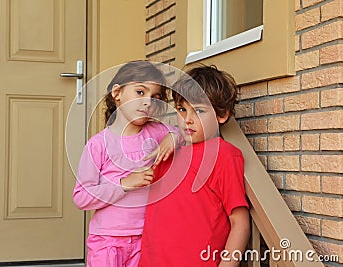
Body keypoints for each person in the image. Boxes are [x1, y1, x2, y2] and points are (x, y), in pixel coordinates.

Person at [138, 65, 251, 267]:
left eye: (198, 110)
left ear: (221, 114)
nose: (187, 120)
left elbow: (240, 223)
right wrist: (173, 135)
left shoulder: (223, 155)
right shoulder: (169, 153)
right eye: (182, 109)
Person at [73, 61, 181, 267]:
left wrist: (172, 138)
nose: (148, 102)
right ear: (117, 93)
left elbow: (179, 131)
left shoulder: (156, 132)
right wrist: (124, 184)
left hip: (146, 236)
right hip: (107, 241)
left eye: (155, 97)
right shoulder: (98, 144)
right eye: (140, 92)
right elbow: (81, 197)